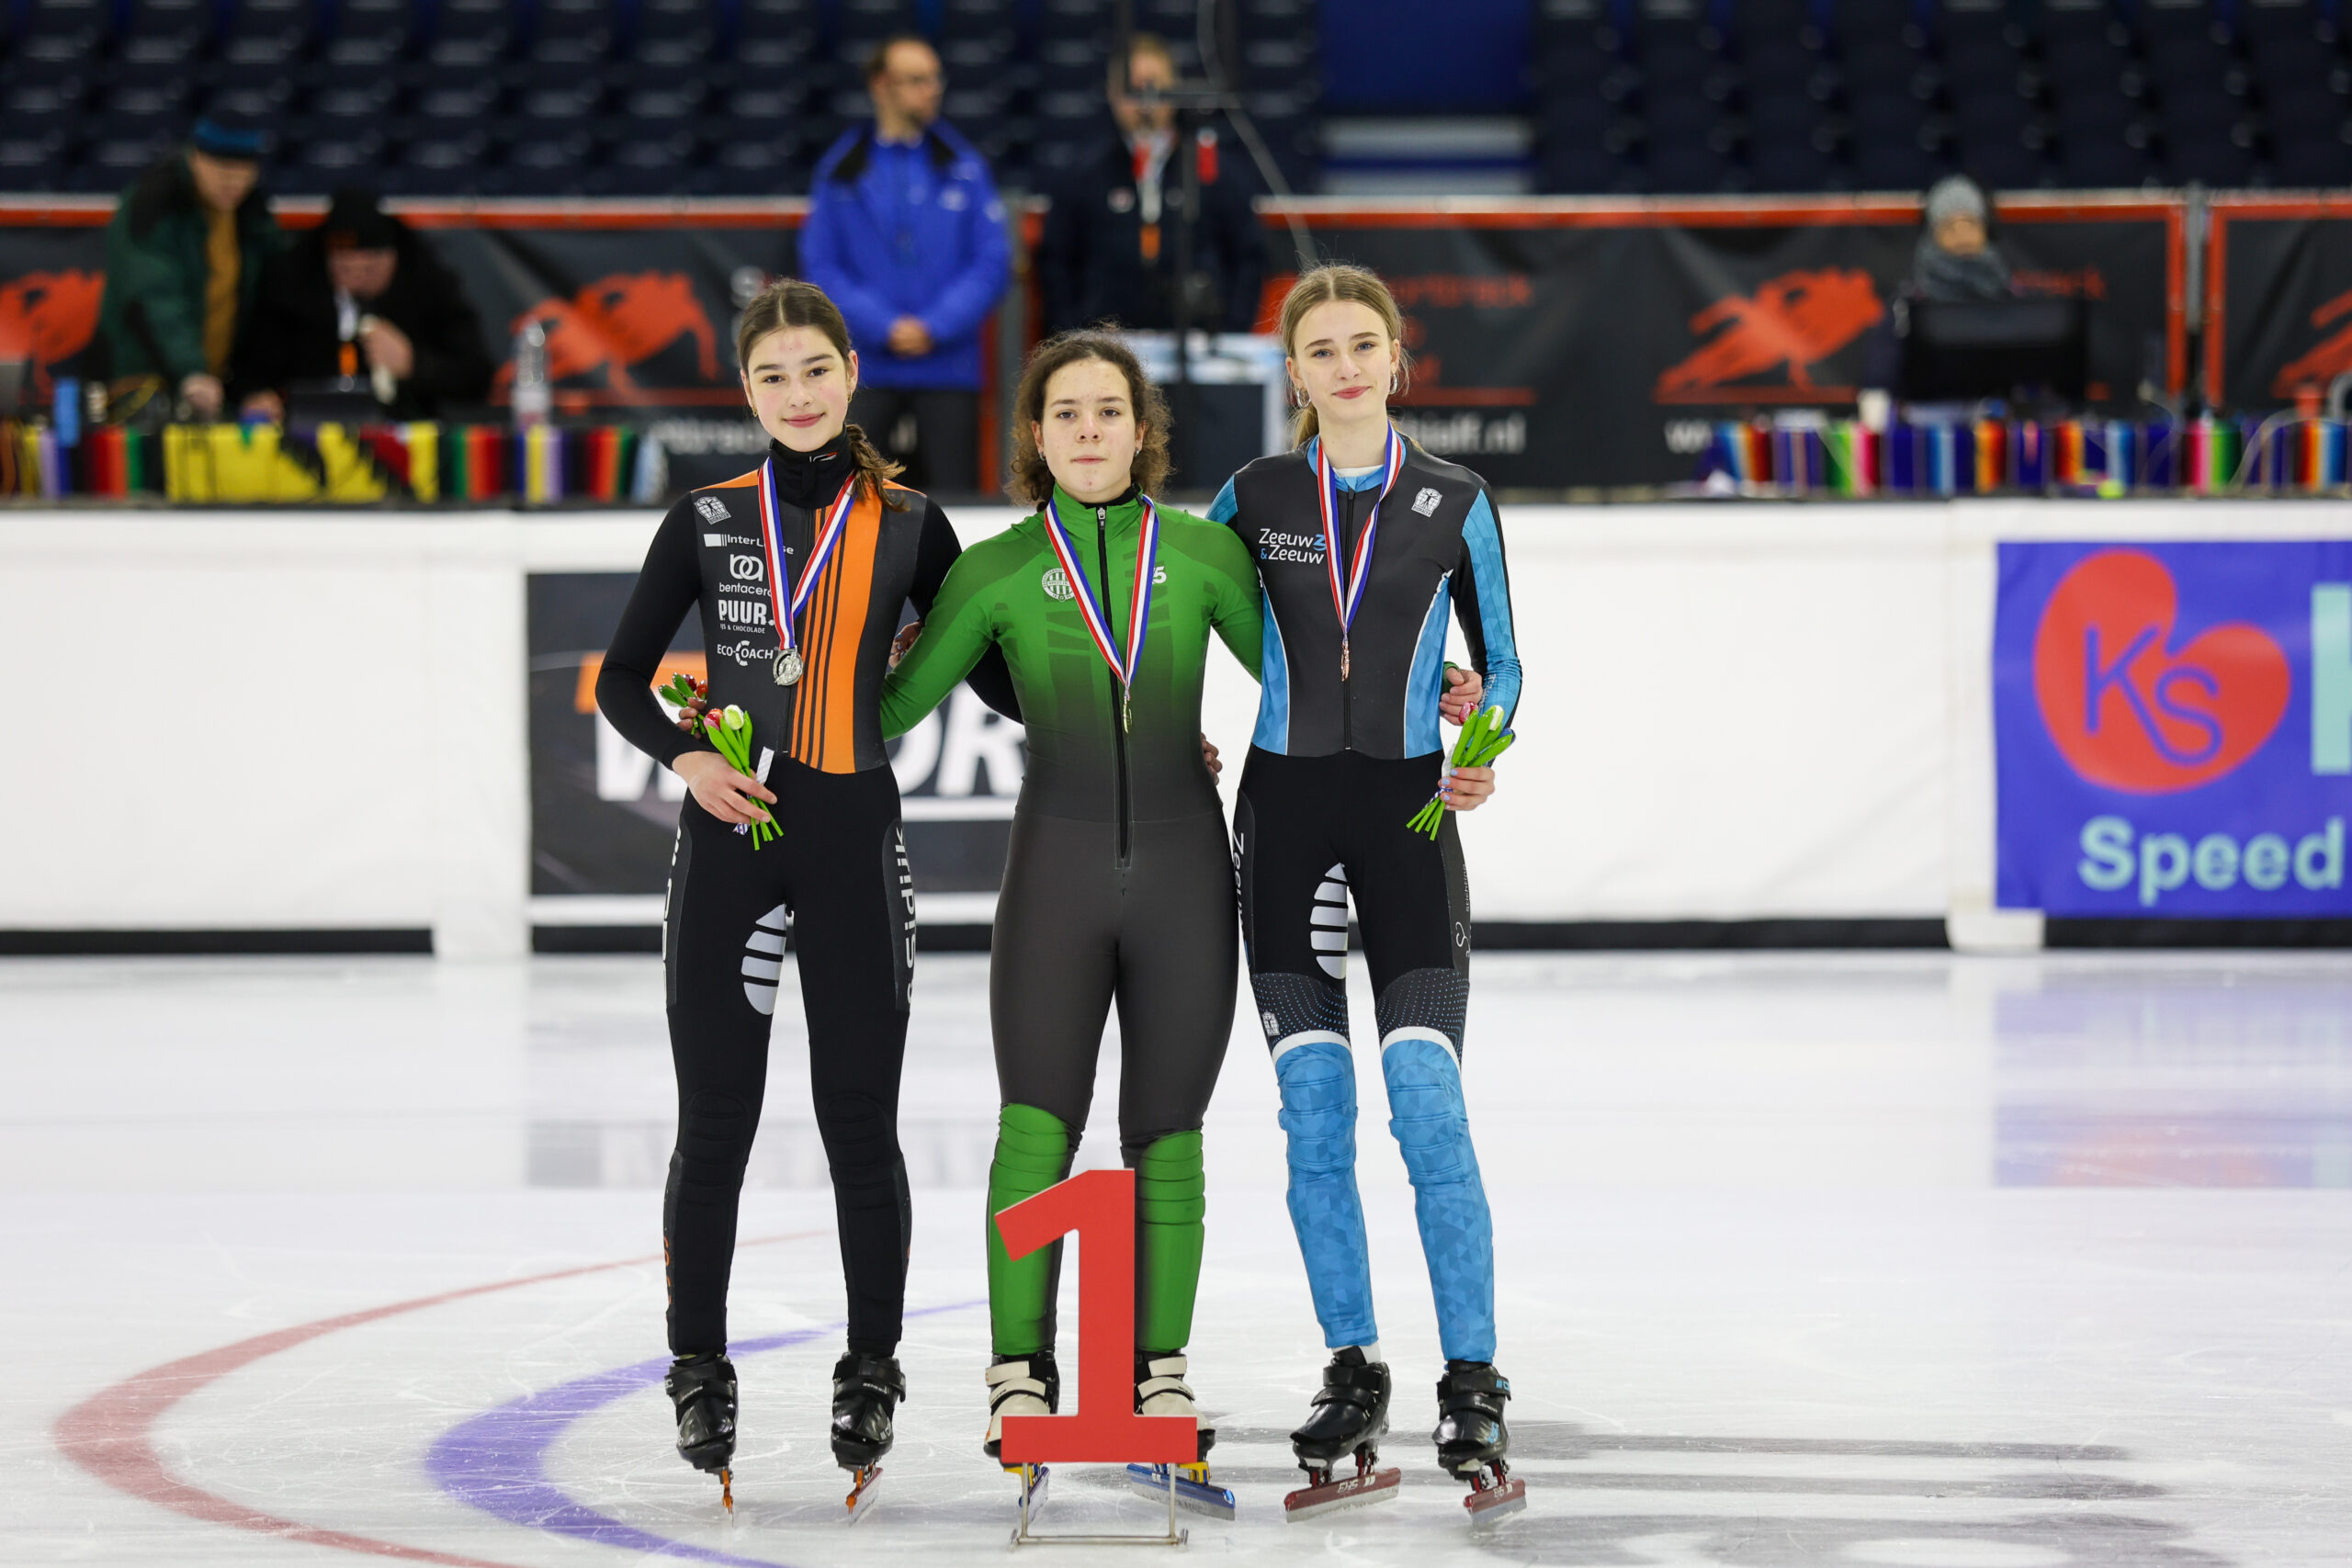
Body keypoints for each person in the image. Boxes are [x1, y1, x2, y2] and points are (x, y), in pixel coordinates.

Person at [594, 278, 1018, 1505]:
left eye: (815, 370)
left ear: (849, 375)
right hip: (730, 838)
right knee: (715, 1120)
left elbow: (991, 674)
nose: (797, 393)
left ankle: (871, 1365)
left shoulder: (912, 523)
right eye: (772, 376)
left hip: (850, 834)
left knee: (858, 1121)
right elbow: (626, 676)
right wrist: (684, 758)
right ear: (747, 391)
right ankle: (697, 1363)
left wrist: (1116, 723)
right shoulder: (705, 517)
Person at [876, 332, 1261, 1483]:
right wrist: (774, 680)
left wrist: (1434, 699)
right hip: (1054, 879)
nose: (1089, 430)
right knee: (1033, 1128)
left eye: (1108, 411)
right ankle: (1017, 1378)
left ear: (1142, 430)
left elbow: (1309, 689)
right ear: (1034, 438)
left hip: (1190, 882)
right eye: (1066, 413)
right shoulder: (991, 572)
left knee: (1169, 1139)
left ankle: (1159, 1374)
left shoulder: (1202, 557)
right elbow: (889, 708)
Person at [1206, 262, 1522, 1512]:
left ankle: (1475, 1376)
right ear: (1295, 373)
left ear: (1399, 360)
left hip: (1405, 824)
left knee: (1428, 1103)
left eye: (1363, 345)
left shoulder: (1456, 498)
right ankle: (1352, 1367)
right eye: (1320, 349)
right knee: (1315, 1112)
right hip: (1282, 826)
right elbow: (1181, 628)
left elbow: (1504, 664)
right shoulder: (1252, 494)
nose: (1343, 366)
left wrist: (1478, 746)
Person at [800, 32, 1009, 495]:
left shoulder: (964, 166)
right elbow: (821, 268)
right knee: (848, 494)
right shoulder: (842, 171)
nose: (931, 89)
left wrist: (934, 326)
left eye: (935, 79)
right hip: (865, 366)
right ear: (881, 86)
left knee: (956, 498)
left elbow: (993, 262)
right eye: (916, 80)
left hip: (948, 365)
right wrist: (884, 326)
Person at [1036, 32, 1267, 338]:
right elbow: (1056, 265)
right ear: (1112, 93)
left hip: (1198, 345)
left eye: (1154, 86)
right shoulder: (1082, 173)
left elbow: (1249, 257)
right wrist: (1074, 337)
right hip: (1106, 349)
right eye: (1133, 88)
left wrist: (1231, 333)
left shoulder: (1216, 171)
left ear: (1175, 88)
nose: (1145, 101)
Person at [232, 186, 495, 422]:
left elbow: (477, 378)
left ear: (393, 259)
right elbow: (251, 369)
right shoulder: (291, 287)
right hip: (308, 433)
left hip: (406, 434)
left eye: (369, 269)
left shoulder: (429, 286)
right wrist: (258, 397)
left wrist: (415, 364)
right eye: (344, 267)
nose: (356, 276)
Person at [95, 112, 285, 421]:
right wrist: (190, 371)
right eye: (223, 169)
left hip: (214, 387)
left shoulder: (251, 213)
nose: (235, 182)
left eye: (245, 170)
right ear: (196, 158)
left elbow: (270, 298)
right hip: (142, 385)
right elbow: (154, 297)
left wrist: (253, 383)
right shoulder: (154, 204)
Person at [1910, 174, 2013, 303]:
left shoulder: (2012, 292)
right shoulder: (1914, 301)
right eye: (1949, 226)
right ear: (1933, 235)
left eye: (1970, 224)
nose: (1962, 235)